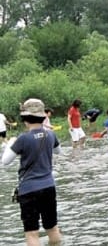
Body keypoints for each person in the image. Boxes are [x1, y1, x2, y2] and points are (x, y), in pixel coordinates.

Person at [1, 98, 62, 245]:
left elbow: (5, 162)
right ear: (43, 117)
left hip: (28, 190)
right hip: (48, 187)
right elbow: (58, 151)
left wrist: (10, 143)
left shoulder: (22, 139)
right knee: (52, 227)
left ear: (25, 118)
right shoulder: (51, 134)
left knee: (32, 232)